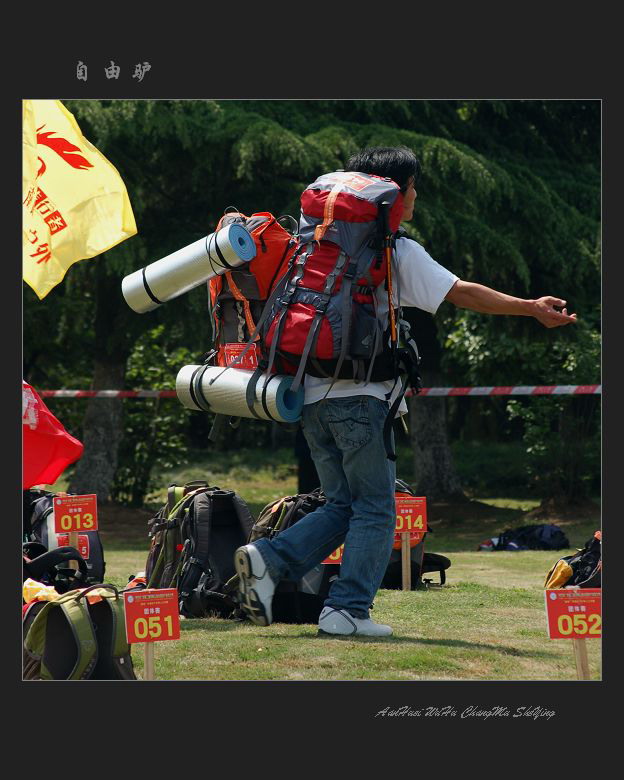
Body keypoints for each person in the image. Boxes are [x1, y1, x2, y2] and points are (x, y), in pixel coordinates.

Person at [234, 146, 577, 637]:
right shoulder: (392, 249)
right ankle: (347, 611)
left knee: (342, 505)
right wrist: (530, 307)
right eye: (413, 188)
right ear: (392, 193)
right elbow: (460, 292)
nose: (415, 197)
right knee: (376, 507)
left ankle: (268, 558)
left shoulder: (310, 245)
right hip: (360, 397)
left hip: (305, 395)